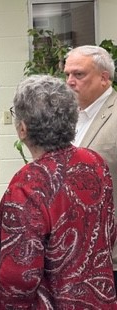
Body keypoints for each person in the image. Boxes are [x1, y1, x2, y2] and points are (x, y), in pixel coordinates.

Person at [0, 75, 117, 309]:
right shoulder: (95, 162)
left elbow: (19, 276)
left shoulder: (28, 183)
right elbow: (109, 231)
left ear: (23, 129)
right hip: (99, 299)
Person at [64, 45, 117, 288]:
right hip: (76, 248)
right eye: (67, 75)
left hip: (110, 250)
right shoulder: (70, 117)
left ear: (104, 78)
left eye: (79, 74)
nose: (70, 81)